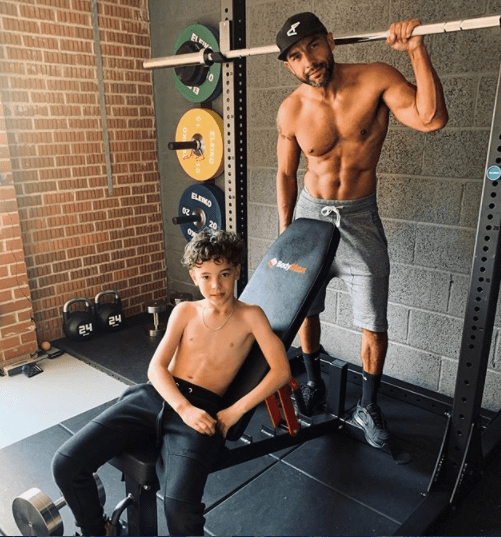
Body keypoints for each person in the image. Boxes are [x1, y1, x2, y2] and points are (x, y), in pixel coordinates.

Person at [275, 13, 448, 448]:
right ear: (288, 65)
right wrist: (286, 232)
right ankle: (313, 381)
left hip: (359, 217)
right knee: (305, 309)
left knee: (373, 319)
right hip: (310, 219)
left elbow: (431, 118)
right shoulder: (291, 108)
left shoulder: (376, 79)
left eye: (314, 45)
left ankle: (368, 404)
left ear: (330, 41)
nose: (309, 60)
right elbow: (284, 173)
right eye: (296, 56)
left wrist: (415, 51)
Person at [52, 229, 291, 536]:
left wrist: (235, 411)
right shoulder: (185, 311)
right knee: (66, 463)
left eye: (224, 274)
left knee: (178, 507)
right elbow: (156, 368)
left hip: (203, 410)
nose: (215, 285)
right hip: (157, 396)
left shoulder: (251, 316)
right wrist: (182, 407)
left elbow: (281, 370)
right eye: (205, 276)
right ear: (193, 276)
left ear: (238, 272)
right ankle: (99, 530)